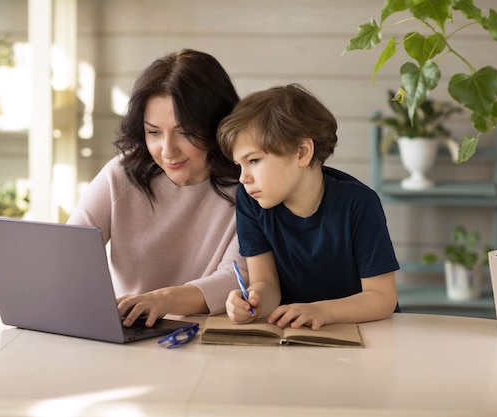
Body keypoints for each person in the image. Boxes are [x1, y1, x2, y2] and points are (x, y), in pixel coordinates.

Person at [68, 49, 246, 328]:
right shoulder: (121, 175)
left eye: (185, 132)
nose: (167, 151)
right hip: (126, 332)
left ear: (217, 125)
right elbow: (69, 250)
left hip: (208, 337)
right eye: (153, 132)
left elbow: (236, 277)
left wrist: (163, 300)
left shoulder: (249, 186)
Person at [217, 83, 400, 330]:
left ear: (302, 152)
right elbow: (267, 285)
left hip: (366, 332)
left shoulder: (359, 203)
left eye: (254, 160)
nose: (243, 177)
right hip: (296, 333)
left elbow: (382, 298)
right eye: (239, 165)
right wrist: (254, 301)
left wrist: (319, 311)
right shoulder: (250, 200)